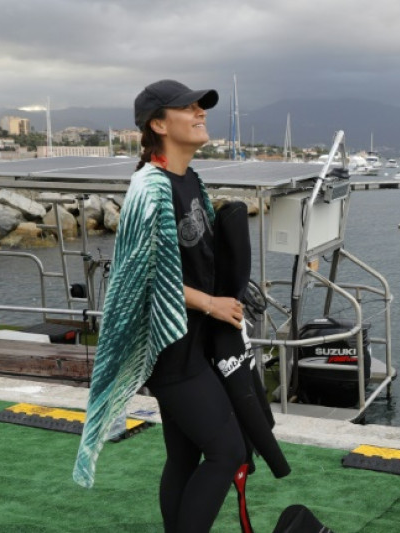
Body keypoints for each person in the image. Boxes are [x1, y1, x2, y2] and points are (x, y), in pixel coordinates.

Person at [73, 79, 250, 532]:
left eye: (201, 107)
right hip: (170, 349)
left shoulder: (190, 179)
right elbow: (140, 278)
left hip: (195, 342)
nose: (200, 112)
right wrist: (210, 303)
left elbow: (197, 263)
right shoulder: (148, 190)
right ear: (158, 123)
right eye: (188, 108)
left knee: (185, 455)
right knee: (229, 452)